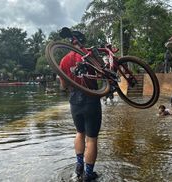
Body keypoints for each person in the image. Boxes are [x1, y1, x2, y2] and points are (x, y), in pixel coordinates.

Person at [59, 28, 101, 181]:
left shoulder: (63, 60)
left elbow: (63, 86)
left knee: (79, 132)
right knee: (91, 138)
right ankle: (89, 174)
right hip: (91, 97)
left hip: (74, 100)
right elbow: (103, 71)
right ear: (83, 41)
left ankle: (79, 166)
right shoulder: (89, 55)